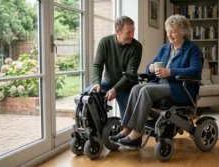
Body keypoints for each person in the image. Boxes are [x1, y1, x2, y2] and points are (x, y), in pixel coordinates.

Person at [109, 14, 202, 148]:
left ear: (182, 32)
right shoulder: (165, 48)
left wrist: (170, 72)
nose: (169, 35)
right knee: (136, 88)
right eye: (168, 31)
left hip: (180, 87)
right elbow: (149, 67)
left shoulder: (191, 49)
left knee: (146, 90)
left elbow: (195, 71)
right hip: (161, 84)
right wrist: (151, 69)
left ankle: (136, 133)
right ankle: (126, 129)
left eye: (173, 31)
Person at [85, 16, 142, 119]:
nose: (132, 35)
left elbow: (130, 74)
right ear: (118, 31)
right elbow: (97, 65)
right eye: (128, 32)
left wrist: (115, 90)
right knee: (87, 94)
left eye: (133, 31)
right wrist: (97, 82)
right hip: (108, 82)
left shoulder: (136, 46)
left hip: (128, 86)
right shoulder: (105, 42)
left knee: (129, 123)